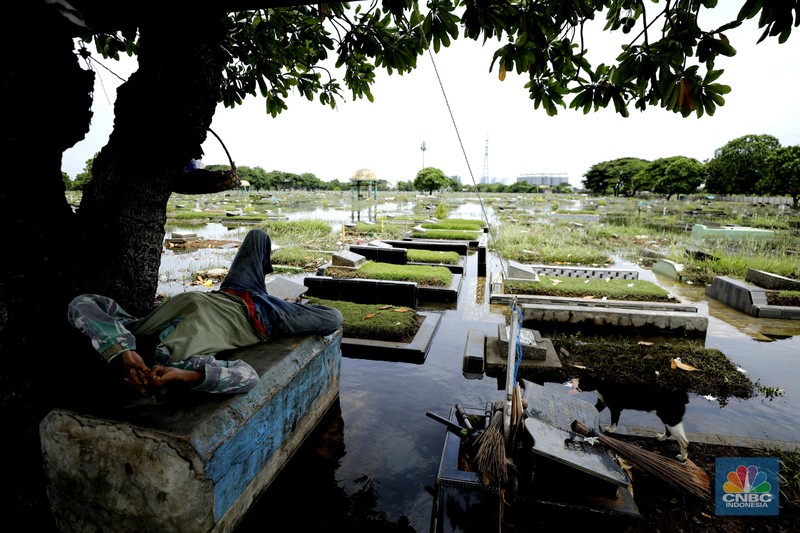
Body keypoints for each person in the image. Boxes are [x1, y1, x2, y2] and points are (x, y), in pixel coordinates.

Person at [68, 228, 343, 395]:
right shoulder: (177, 363)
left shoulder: (130, 328)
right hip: (261, 318)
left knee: (258, 237)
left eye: (130, 369)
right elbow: (247, 377)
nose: (136, 370)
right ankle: (281, 302)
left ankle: (268, 292)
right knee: (333, 318)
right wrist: (184, 377)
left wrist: (121, 351)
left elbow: (83, 303)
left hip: (233, 291)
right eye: (135, 376)